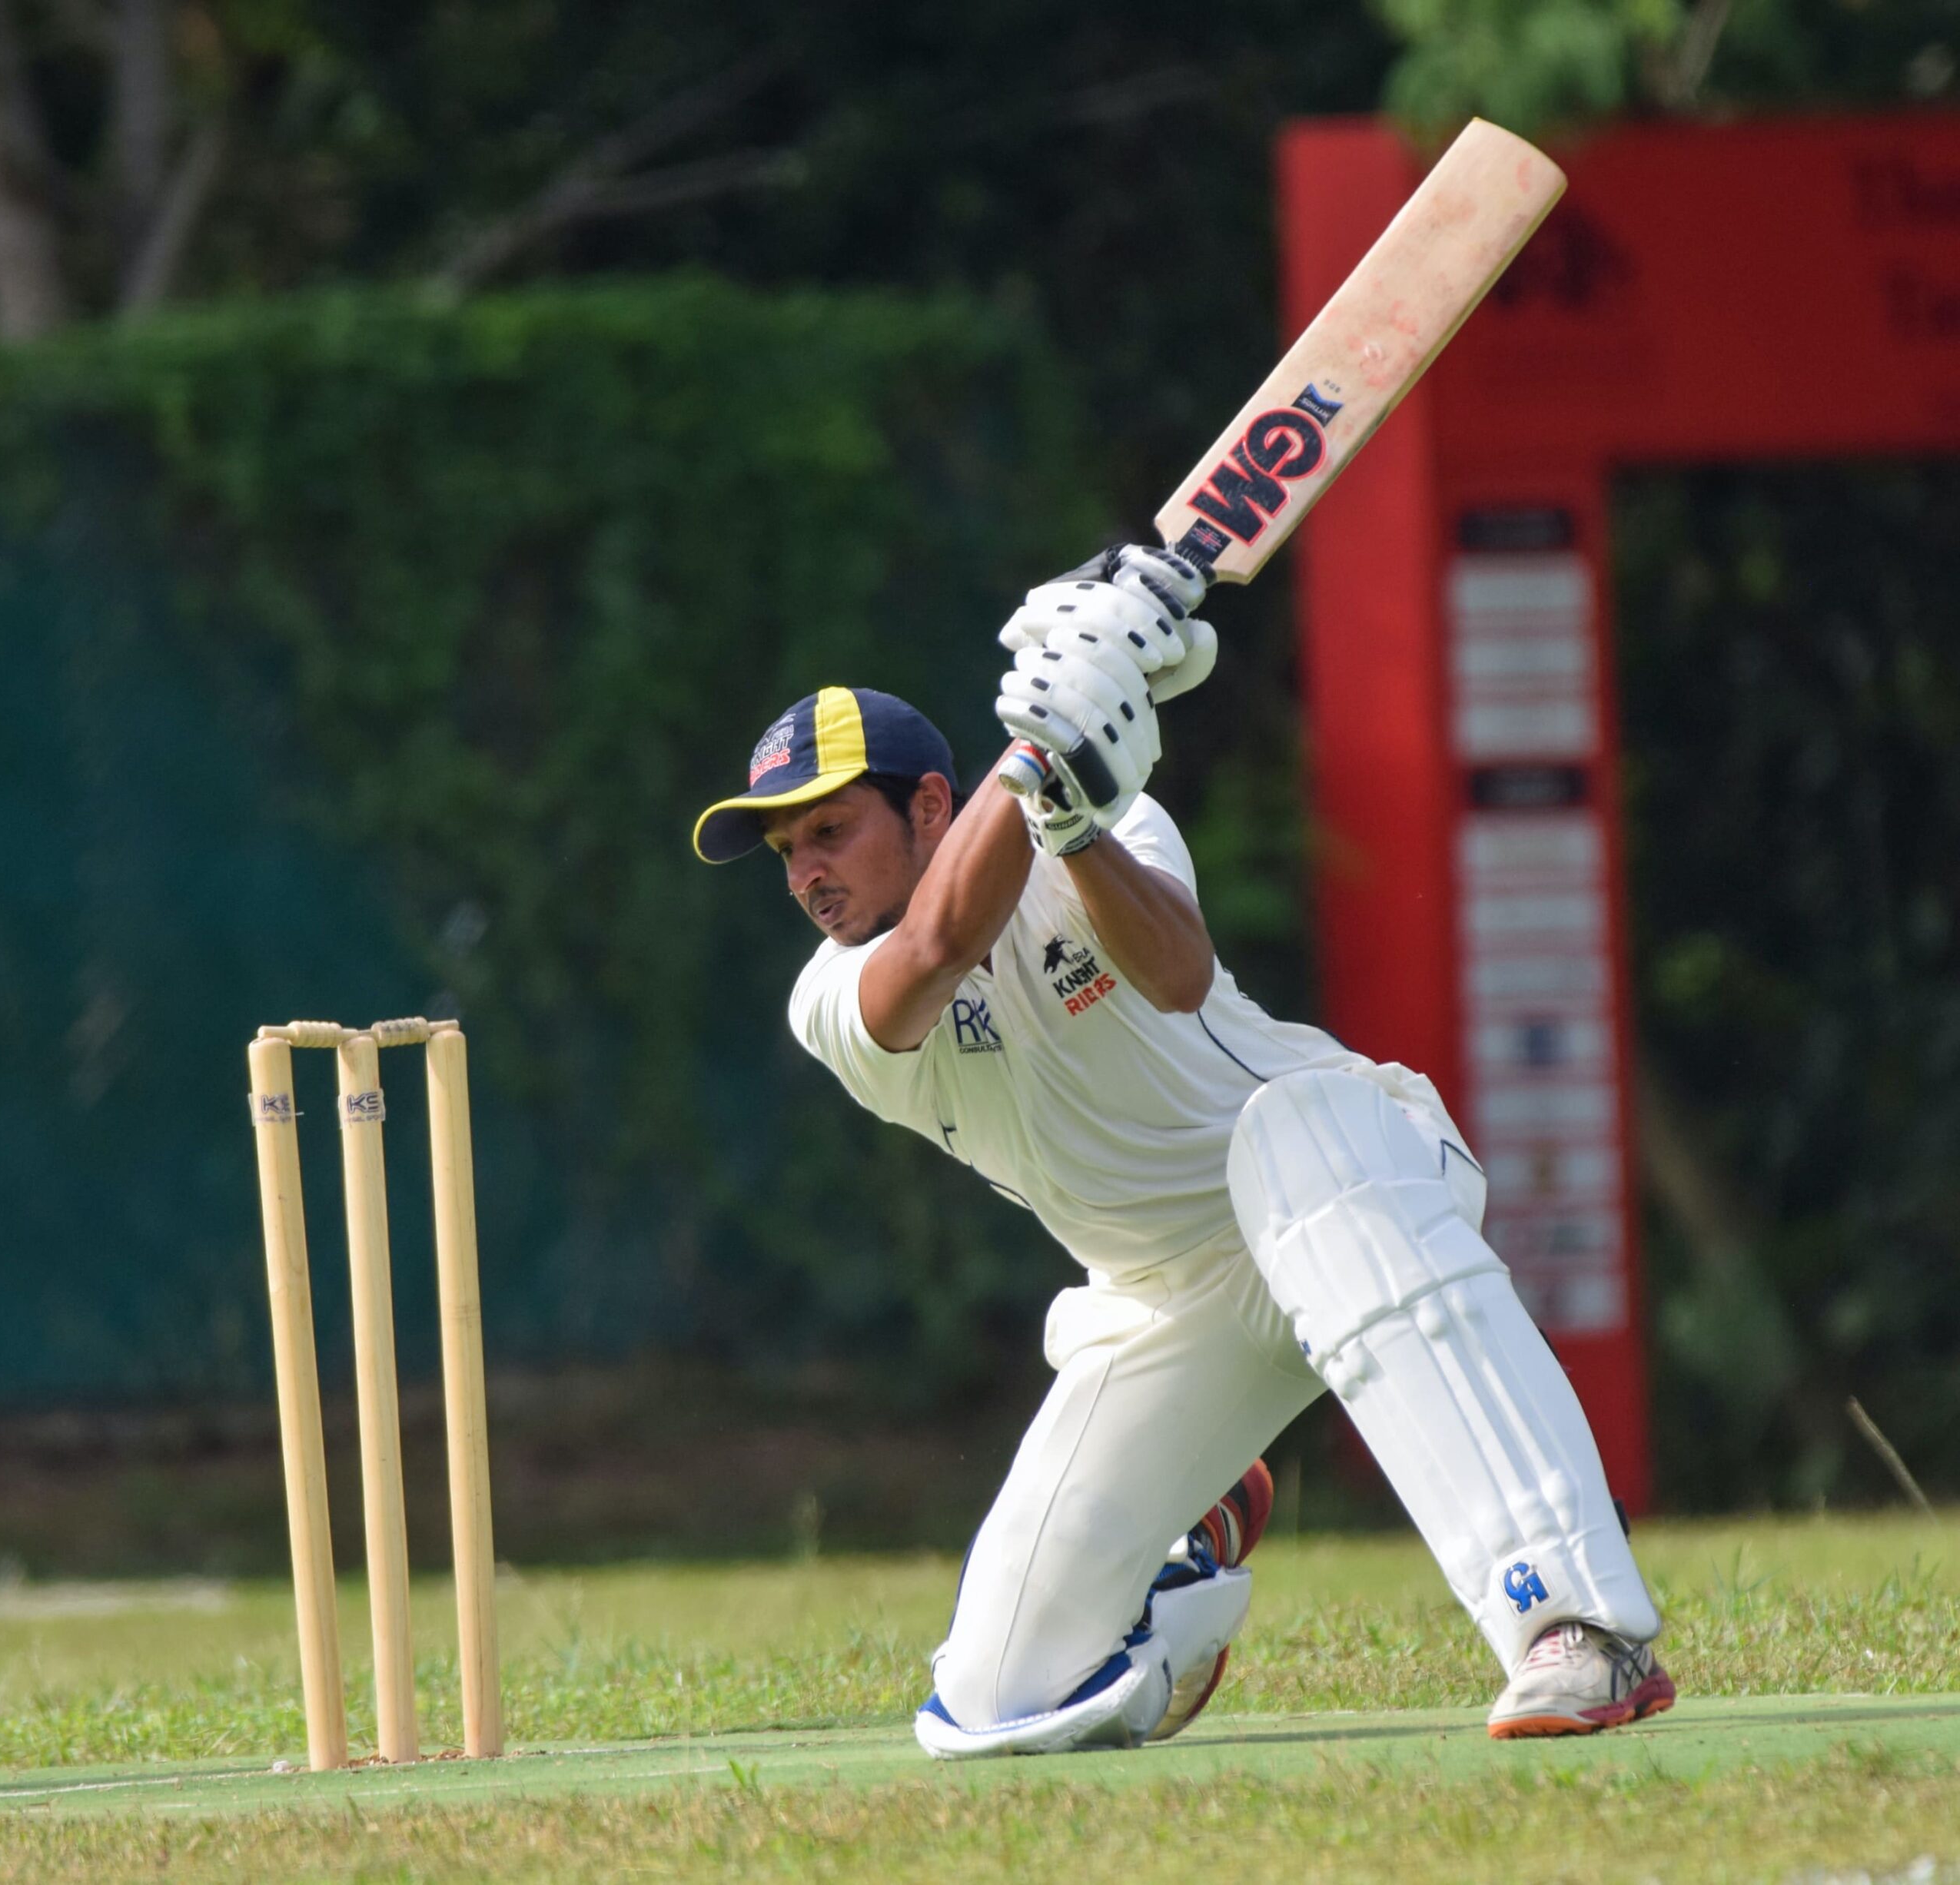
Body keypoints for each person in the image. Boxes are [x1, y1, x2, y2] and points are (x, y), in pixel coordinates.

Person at [693, 545, 1674, 1757]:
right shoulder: (830, 999)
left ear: (932, 806)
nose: (807, 877)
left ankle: (1577, 1624)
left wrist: (1069, 807)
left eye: (830, 831)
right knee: (990, 1706)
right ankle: (1185, 1553)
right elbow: (942, 942)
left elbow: (1177, 971)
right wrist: (1039, 743)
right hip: (1166, 1305)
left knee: (1293, 1133)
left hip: (1344, 1173)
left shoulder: (1106, 822)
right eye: (787, 851)